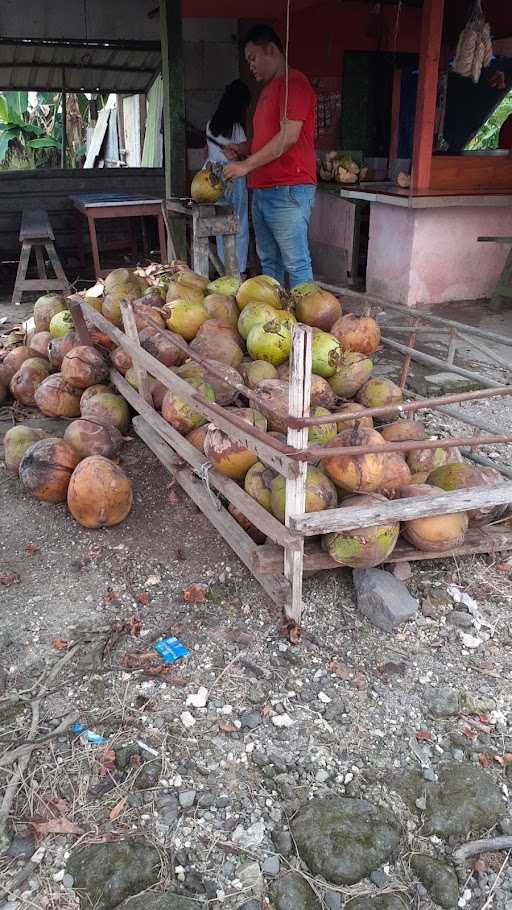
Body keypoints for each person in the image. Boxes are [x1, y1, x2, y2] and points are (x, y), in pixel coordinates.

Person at [223, 25, 317, 288]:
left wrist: (245, 165)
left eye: (253, 58)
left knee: (296, 263)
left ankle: (308, 327)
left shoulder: (294, 84)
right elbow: (268, 140)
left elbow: (288, 137)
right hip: (263, 190)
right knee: (269, 263)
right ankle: (275, 322)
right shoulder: (268, 90)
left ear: (271, 50)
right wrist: (243, 148)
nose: (250, 66)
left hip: (288, 188)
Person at [206, 79, 251, 275]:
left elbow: (209, 153)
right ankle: (237, 271)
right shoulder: (236, 129)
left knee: (222, 224)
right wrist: (241, 156)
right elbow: (242, 155)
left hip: (214, 176)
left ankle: (223, 270)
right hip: (233, 176)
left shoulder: (210, 125)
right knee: (238, 225)